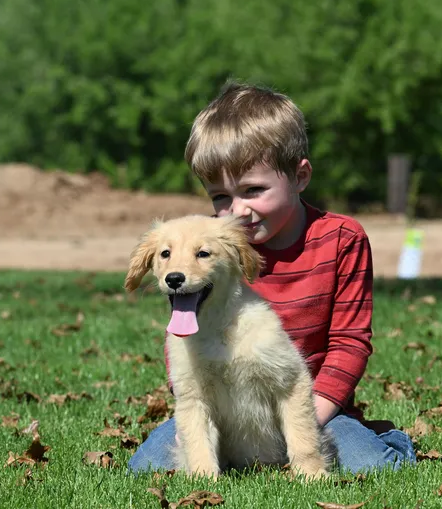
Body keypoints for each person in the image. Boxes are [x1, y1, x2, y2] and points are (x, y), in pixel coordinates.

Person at [127, 82, 416, 475]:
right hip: (222, 412)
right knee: (145, 466)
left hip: (313, 407)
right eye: (220, 197)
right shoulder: (207, 245)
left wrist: (309, 422)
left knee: (372, 465)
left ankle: (389, 440)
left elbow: (350, 342)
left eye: (253, 190)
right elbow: (183, 332)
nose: (237, 211)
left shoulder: (342, 239)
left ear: (299, 177)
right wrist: (192, 423)